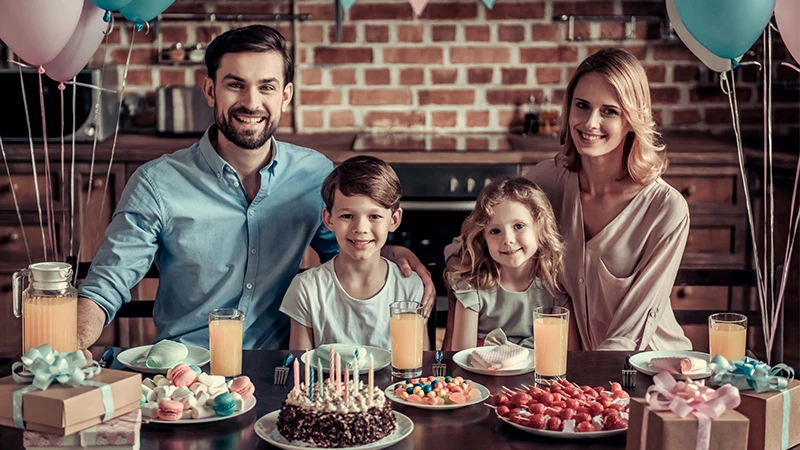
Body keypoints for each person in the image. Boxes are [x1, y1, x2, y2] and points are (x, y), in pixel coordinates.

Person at [76, 25, 434, 353]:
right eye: (235, 84)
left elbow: (343, 251)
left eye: (266, 86)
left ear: (285, 95)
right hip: (187, 371)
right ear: (210, 90)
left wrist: (395, 255)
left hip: (279, 369)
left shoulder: (315, 174)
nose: (251, 102)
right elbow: (107, 283)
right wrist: (72, 344)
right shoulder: (156, 184)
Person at [446, 48, 692, 351]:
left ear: (632, 119)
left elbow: (632, 328)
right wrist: (401, 255)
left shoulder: (665, 209)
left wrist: (584, 386)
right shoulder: (545, 182)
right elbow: (470, 244)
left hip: (644, 368)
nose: (590, 123)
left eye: (609, 111)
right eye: (582, 106)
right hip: (568, 369)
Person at [280, 156, 430, 351]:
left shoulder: (409, 286)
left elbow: (418, 369)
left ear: (394, 220)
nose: (361, 228)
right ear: (329, 219)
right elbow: (302, 369)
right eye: (347, 216)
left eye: (374, 216)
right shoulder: (307, 289)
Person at [444, 177, 577, 351]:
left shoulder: (555, 288)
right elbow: (462, 358)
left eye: (519, 226)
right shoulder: (471, 288)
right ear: (483, 238)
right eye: (495, 231)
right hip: (483, 374)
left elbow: (570, 356)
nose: (507, 239)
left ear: (540, 227)